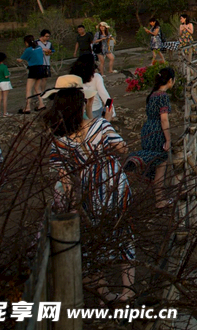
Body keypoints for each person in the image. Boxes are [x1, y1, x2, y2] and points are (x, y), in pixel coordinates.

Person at [45, 86, 135, 302]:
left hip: (86, 191)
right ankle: (128, 292)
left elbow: (64, 177)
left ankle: (104, 291)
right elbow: (123, 148)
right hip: (113, 184)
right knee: (124, 234)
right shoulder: (100, 125)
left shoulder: (59, 139)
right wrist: (108, 126)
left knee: (93, 240)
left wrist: (74, 206)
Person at [128, 68, 173, 208]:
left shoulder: (152, 94)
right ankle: (159, 200)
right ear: (170, 80)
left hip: (147, 130)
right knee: (160, 163)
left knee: (154, 161)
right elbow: (164, 120)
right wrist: (168, 139)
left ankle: (151, 193)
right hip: (157, 131)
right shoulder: (163, 96)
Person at [70, 54, 112, 121]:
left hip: (78, 112)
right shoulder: (96, 77)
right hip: (95, 111)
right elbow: (104, 95)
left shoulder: (72, 78)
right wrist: (111, 113)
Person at [17, 35, 48, 113]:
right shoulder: (39, 48)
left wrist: (18, 59)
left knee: (29, 89)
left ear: (26, 42)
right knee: (37, 88)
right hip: (41, 68)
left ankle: (27, 107)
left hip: (33, 69)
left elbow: (21, 59)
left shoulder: (28, 50)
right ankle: (41, 104)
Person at [38, 29, 54, 94]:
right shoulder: (37, 43)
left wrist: (50, 52)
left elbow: (52, 50)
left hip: (47, 62)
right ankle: (37, 92)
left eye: (48, 36)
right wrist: (42, 49)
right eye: (46, 36)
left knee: (45, 78)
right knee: (38, 79)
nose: (47, 38)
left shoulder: (49, 43)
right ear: (42, 36)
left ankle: (42, 91)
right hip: (39, 63)